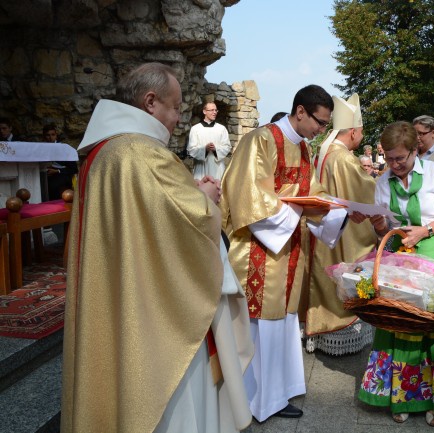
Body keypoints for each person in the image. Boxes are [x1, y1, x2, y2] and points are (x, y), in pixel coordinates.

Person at [61, 62, 254, 433]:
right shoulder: (141, 151)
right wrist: (207, 201)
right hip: (158, 316)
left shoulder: (104, 151)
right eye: (176, 106)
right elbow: (189, 221)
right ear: (151, 102)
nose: (179, 118)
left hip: (124, 294)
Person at [220, 84, 351, 422]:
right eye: (319, 123)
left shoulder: (304, 149)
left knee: (282, 326)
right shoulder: (260, 140)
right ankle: (248, 402)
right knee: (257, 330)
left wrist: (338, 210)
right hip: (258, 253)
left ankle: (274, 397)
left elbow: (312, 192)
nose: (321, 131)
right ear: (301, 111)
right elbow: (246, 195)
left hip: (289, 250)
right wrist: (296, 209)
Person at [360, 121, 434, 427]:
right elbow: (383, 227)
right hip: (405, 261)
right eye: (389, 159)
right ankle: (404, 395)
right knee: (404, 326)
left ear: (415, 151)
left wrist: (425, 230)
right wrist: (373, 221)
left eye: (400, 159)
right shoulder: (383, 182)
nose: (394, 165)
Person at [306, 94, 376, 355]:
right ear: (354, 132)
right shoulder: (345, 158)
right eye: (361, 131)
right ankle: (346, 327)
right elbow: (366, 193)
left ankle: (322, 330)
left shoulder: (325, 152)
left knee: (327, 275)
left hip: (328, 229)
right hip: (346, 234)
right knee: (356, 269)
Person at [187, 101, 232, 181]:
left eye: (216, 110)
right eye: (212, 110)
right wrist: (205, 149)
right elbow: (191, 149)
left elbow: (227, 147)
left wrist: (215, 149)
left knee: (218, 190)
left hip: (217, 168)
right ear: (204, 111)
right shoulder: (195, 129)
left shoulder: (221, 129)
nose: (214, 112)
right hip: (201, 168)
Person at [42, 123, 78, 200]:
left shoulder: (64, 148)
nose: (50, 137)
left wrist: (57, 171)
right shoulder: (39, 149)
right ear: (44, 136)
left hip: (61, 177)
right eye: (47, 135)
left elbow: (74, 169)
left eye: (53, 135)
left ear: (56, 136)